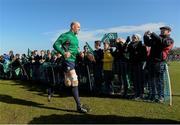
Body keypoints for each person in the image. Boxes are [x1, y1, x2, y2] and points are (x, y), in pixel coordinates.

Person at [53, 21, 91, 113]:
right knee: (75, 80)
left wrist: (80, 53)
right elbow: (55, 44)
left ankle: (51, 89)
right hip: (67, 61)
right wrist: (63, 53)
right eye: (78, 27)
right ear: (73, 26)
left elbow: (75, 50)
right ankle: (79, 106)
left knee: (68, 83)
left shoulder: (76, 38)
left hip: (73, 61)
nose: (79, 29)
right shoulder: (66, 35)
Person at [143, 26, 174, 103]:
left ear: (169, 32)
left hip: (159, 62)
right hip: (151, 61)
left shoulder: (169, 39)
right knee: (151, 80)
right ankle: (152, 95)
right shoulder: (157, 38)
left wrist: (152, 34)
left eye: (164, 30)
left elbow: (163, 43)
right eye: (161, 30)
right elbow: (148, 43)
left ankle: (160, 97)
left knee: (159, 80)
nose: (162, 31)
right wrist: (145, 36)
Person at [128, 34, 147, 99]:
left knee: (140, 79)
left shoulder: (141, 45)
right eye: (132, 37)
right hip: (133, 64)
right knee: (134, 79)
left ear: (138, 38)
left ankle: (141, 93)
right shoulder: (130, 45)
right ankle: (136, 93)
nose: (133, 38)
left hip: (140, 63)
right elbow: (128, 52)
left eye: (135, 37)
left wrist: (141, 61)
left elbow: (144, 55)